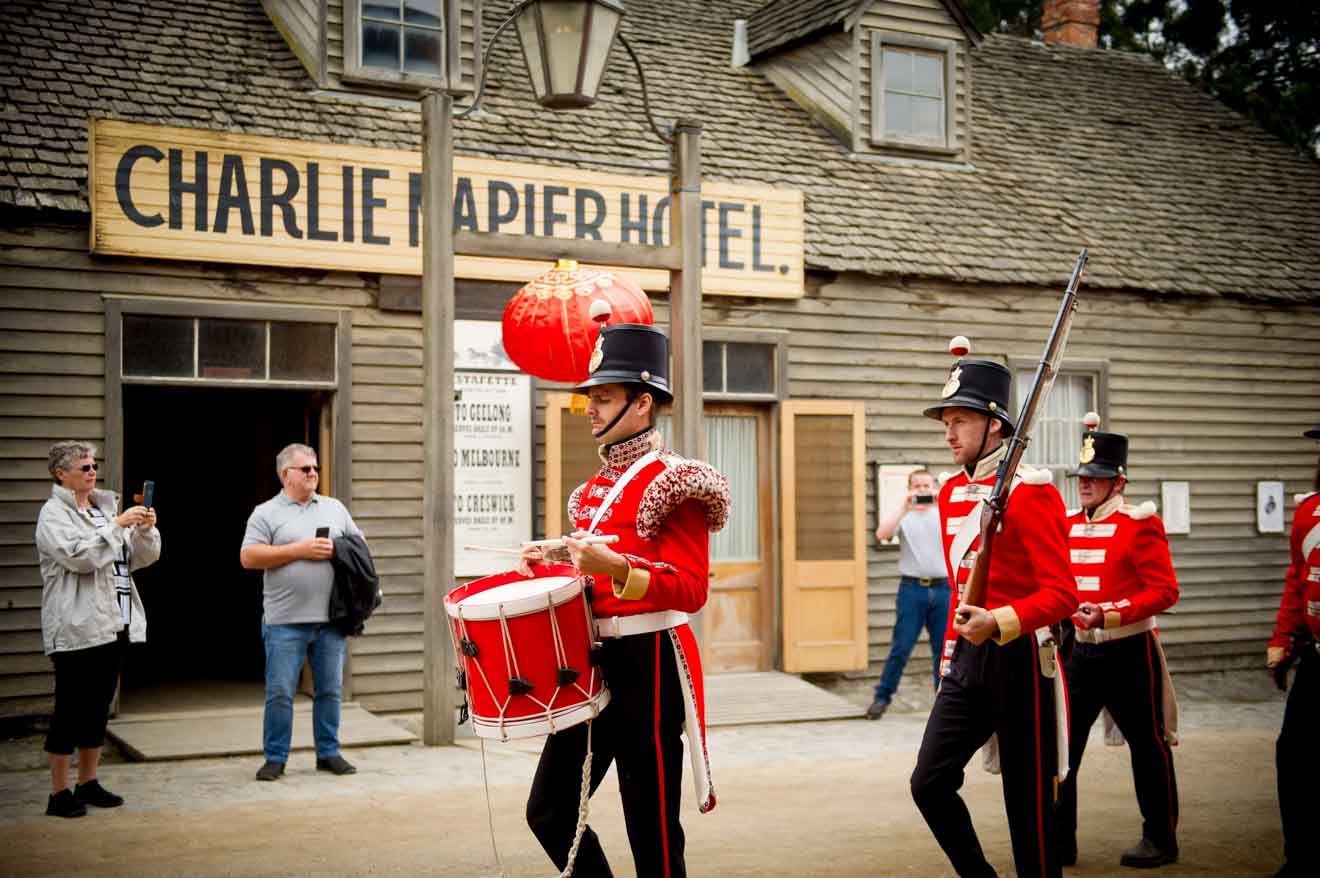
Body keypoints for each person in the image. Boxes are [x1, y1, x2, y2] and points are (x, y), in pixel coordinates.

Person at [518, 323, 729, 878]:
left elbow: (691, 587)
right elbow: (598, 579)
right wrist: (556, 561)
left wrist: (616, 568)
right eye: (590, 397)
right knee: (549, 810)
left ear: (642, 403)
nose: (589, 408)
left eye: (603, 397)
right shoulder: (590, 491)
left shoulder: (677, 481)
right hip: (594, 664)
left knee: (653, 833)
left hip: (651, 660)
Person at [908, 345, 1078, 878]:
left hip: (1021, 657)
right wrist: (954, 655)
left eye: (960, 420)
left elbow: (1062, 595)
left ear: (995, 426)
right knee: (929, 782)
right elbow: (963, 583)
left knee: (1028, 809)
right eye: (946, 421)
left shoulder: (1033, 493)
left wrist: (1000, 621)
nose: (949, 433)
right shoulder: (952, 494)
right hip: (967, 661)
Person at [1054, 415, 1180, 868]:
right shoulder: (1065, 523)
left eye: (1097, 477)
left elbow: (1165, 590)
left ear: (1118, 482)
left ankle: (1161, 838)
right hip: (1077, 651)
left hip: (1129, 651)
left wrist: (1111, 611)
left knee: (1148, 745)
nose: (1085, 484)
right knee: (1062, 748)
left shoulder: (1140, 524)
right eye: (1083, 476)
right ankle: (1058, 840)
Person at [36, 441, 160, 818]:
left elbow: (139, 559)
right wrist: (117, 525)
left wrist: (142, 531)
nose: (92, 472)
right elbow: (79, 558)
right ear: (62, 473)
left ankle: (87, 782)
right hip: (77, 626)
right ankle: (58, 792)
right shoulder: (53, 514)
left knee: (97, 706)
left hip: (113, 621)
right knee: (69, 708)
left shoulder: (101, 510)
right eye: (84, 467)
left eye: (93, 467)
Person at [240, 443, 364, 781]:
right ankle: (275, 758)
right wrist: (300, 550)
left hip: (330, 621)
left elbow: (359, 548)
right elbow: (248, 557)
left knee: (330, 691)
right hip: (284, 623)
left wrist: (335, 548)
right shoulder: (265, 513)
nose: (313, 474)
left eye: (315, 468)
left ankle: (328, 753)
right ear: (285, 475)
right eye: (305, 469)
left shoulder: (334, 508)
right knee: (280, 693)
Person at [1266, 424, 1320, 878]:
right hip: (1316, 656)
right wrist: (1283, 639)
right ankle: (1299, 857)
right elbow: (1297, 581)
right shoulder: (1309, 512)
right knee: (1294, 755)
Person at [868, 468, 949, 720]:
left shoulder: (942, 513)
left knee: (942, 650)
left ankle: (942, 704)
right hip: (912, 589)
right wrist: (904, 506)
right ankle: (882, 698)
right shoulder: (904, 515)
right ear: (909, 489)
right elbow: (882, 534)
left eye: (926, 485)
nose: (923, 490)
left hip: (943, 588)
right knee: (901, 647)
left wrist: (940, 501)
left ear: (934, 487)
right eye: (917, 486)